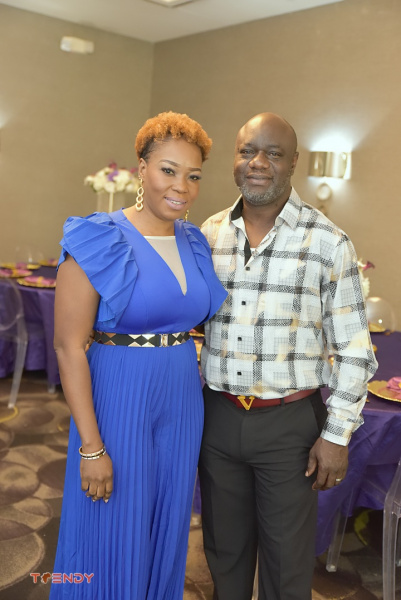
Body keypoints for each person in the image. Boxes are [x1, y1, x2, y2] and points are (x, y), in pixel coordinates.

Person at [197, 112, 378, 600]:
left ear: (294, 162)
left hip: (290, 427)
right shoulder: (209, 233)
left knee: (285, 564)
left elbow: (355, 351)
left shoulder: (328, 242)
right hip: (217, 417)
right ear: (234, 159)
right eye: (247, 151)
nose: (257, 163)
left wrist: (336, 435)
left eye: (273, 153)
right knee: (223, 553)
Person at [50, 111, 227, 600]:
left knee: (168, 522)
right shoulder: (99, 236)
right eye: (168, 170)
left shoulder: (195, 240)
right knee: (111, 522)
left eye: (193, 176)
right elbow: (68, 347)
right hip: (119, 393)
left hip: (181, 396)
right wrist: (91, 446)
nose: (182, 187)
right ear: (142, 168)